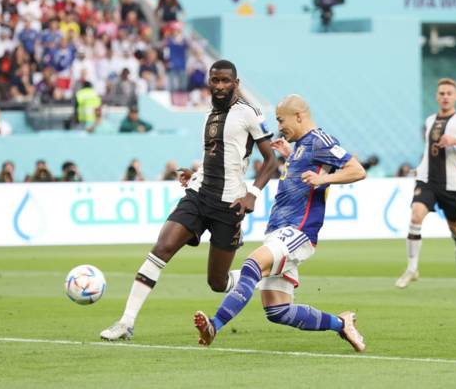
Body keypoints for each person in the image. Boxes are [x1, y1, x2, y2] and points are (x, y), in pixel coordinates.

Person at [100, 59, 278, 340]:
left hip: (229, 204)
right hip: (198, 195)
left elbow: (271, 160)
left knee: (217, 283)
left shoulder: (249, 113)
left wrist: (252, 194)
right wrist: (194, 173)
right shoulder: (209, 115)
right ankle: (126, 322)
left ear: (236, 84)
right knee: (161, 249)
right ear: (208, 82)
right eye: (215, 80)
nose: (219, 86)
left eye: (225, 81)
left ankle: (252, 279)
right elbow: (218, 157)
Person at [193, 94, 367, 352]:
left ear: (299, 116)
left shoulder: (321, 140)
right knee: (278, 311)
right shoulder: (300, 146)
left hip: (298, 231)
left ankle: (214, 325)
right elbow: (303, 173)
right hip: (279, 230)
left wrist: (324, 180)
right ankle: (341, 323)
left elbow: (357, 170)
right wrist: (291, 154)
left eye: (280, 119)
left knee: (252, 265)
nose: (279, 126)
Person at [395, 78, 456, 288]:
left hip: (451, 184)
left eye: (449, 93)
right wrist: (419, 167)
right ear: (437, 96)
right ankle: (411, 268)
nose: (445, 97)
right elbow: (429, 151)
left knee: (454, 226)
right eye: (442, 93)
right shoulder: (429, 121)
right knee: (416, 216)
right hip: (426, 180)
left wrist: (455, 141)